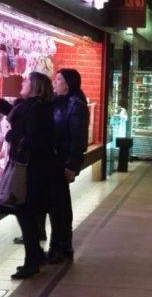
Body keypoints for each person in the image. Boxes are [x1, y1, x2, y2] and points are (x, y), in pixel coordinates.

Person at [0, 72, 59, 280]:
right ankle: (35, 255)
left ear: (35, 86)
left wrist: (10, 135)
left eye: (27, 80)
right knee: (27, 213)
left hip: (30, 168)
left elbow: (31, 136)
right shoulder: (36, 106)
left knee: (25, 212)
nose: (22, 82)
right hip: (34, 166)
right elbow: (19, 116)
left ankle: (32, 262)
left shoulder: (36, 109)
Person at [38, 68, 89, 264]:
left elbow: (78, 139)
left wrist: (72, 165)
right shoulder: (60, 101)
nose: (54, 82)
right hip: (55, 161)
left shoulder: (76, 105)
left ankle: (59, 248)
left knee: (59, 207)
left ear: (68, 84)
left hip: (62, 162)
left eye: (58, 79)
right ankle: (62, 246)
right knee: (59, 206)